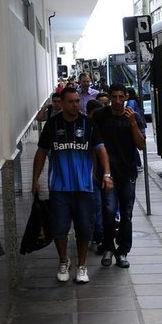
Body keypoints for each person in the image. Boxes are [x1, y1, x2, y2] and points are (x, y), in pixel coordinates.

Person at [32, 87, 114, 284]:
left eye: (78, 101)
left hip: (84, 187)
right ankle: (63, 261)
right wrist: (35, 180)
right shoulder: (52, 125)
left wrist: (107, 174)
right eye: (71, 101)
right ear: (62, 102)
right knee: (59, 228)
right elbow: (41, 153)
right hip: (59, 189)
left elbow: (101, 150)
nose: (76, 105)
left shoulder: (88, 124)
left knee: (85, 228)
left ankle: (82, 266)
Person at [92, 83, 146, 268]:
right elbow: (94, 144)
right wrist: (95, 169)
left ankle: (122, 251)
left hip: (127, 172)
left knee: (127, 214)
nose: (117, 101)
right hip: (107, 173)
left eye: (120, 97)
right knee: (108, 210)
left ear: (125, 97)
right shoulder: (100, 116)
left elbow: (141, 145)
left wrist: (132, 123)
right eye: (113, 97)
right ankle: (108, 247)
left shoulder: (133, 117)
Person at [87, 100, 105, 250]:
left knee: (105, 207)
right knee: (96, 206)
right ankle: (98, 235)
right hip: (92, 174)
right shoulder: (88, 128)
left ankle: (100, 235)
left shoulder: (104, 128)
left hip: (105, 174)